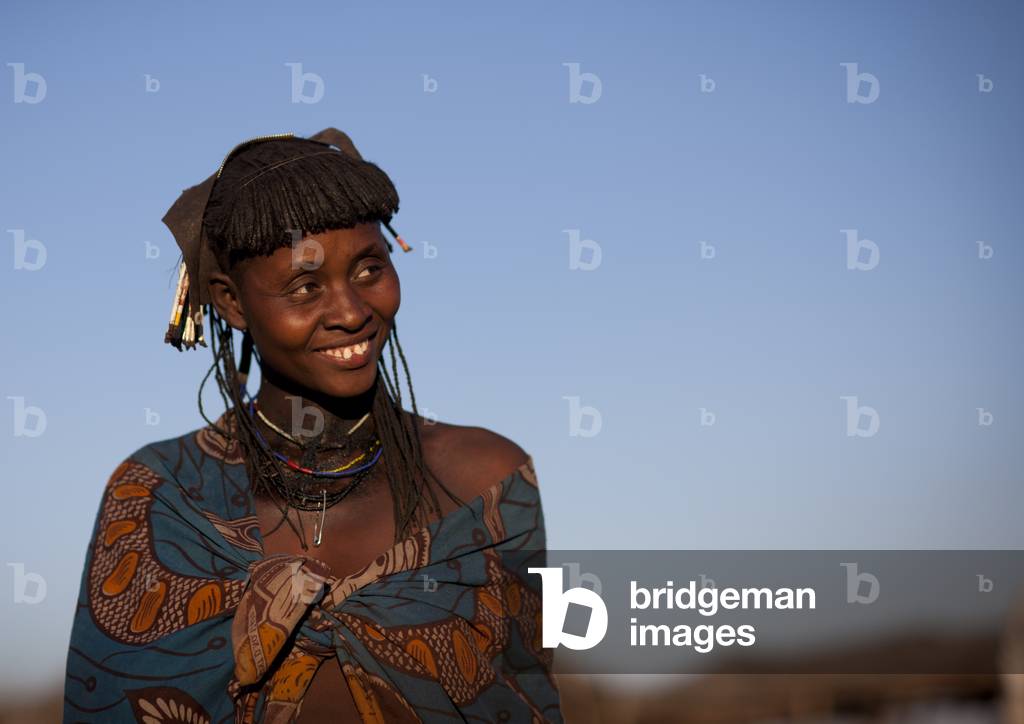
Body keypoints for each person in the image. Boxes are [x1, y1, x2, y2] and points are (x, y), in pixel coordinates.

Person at [62, 128, 564, 723]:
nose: (352, 312)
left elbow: (528, 695)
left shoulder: (489, 480)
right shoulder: (161, 497)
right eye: (305, 287)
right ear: (231, 303)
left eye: (369, 269)